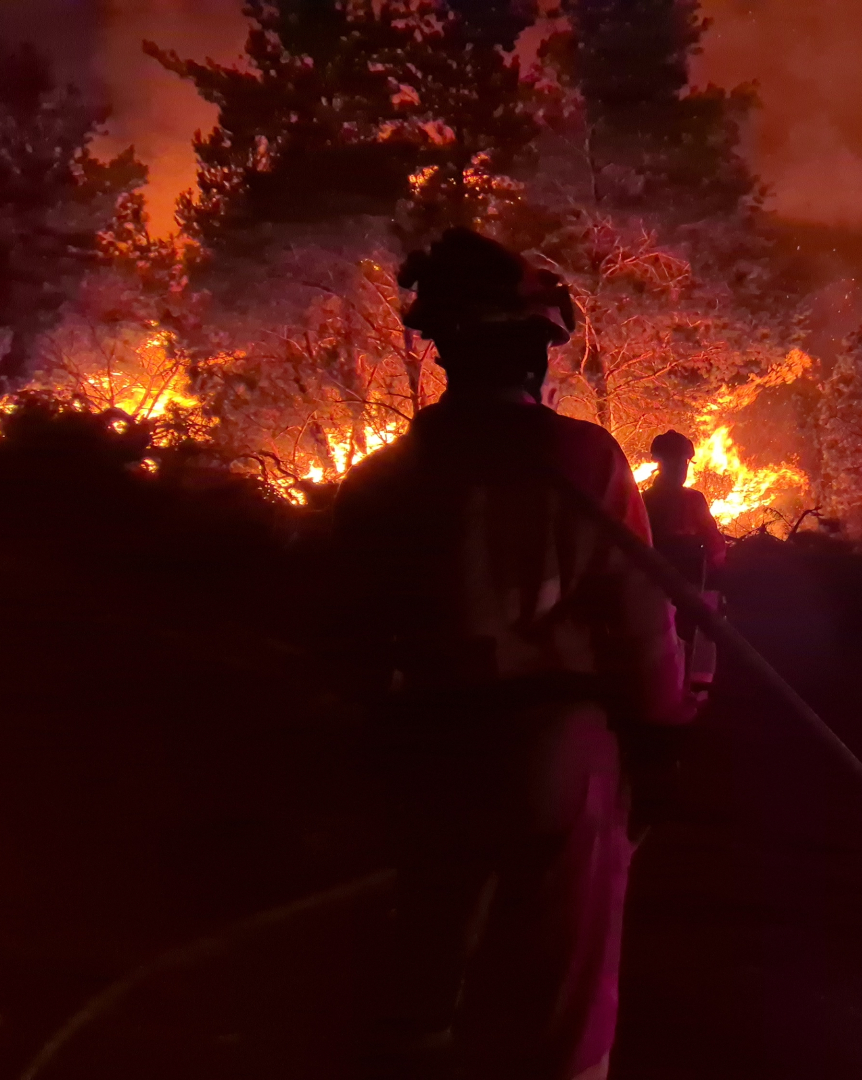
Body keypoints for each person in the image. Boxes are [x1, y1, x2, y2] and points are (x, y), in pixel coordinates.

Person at [333, 228, 691, 1080]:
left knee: (428, 948)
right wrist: (664, 728)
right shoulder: (583, 460)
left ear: (446, 349)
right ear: (533, 349)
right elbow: (640, 620)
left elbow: (349, 637)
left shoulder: (382, 480)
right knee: (560, 981)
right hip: (554, 745)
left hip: (429, 741)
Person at [641, 429, 728, 588]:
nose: (681, 468)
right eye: (677, 461)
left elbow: (714, 543)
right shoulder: (693, 500)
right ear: (662, 463)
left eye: (684, 462)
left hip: (657, 586)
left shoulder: (645, 499)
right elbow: (714, 545)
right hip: (676, 587)